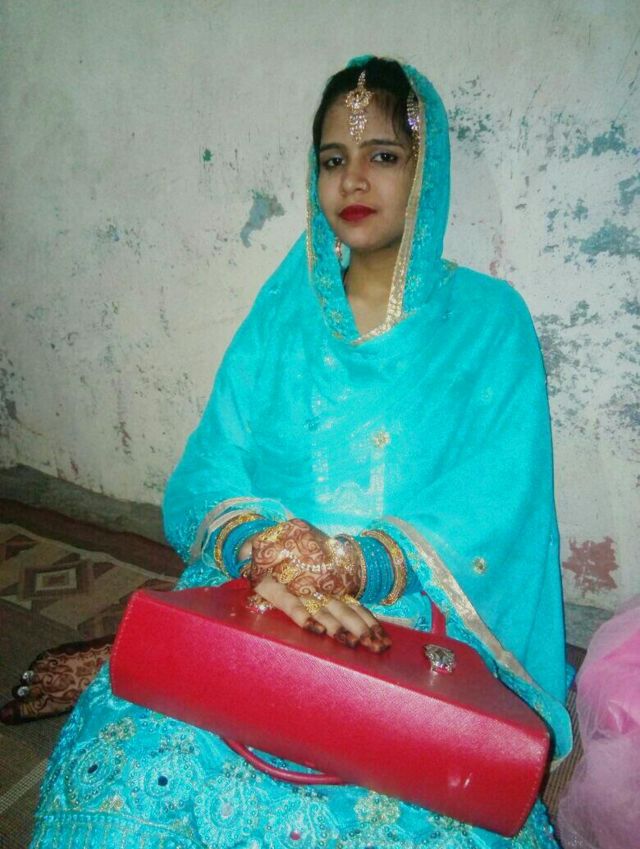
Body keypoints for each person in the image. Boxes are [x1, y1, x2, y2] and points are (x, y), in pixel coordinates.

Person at [29, 56, 572, 849]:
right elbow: (213, 459)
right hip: (260, 591)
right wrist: (266, 547)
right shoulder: (287, 307)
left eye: (383, 154)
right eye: (332, 159)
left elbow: (498, 497)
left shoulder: (489, 321)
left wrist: (357, 562)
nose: (353, 179)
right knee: (121, 790)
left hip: (408, 611)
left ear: (427, 169)